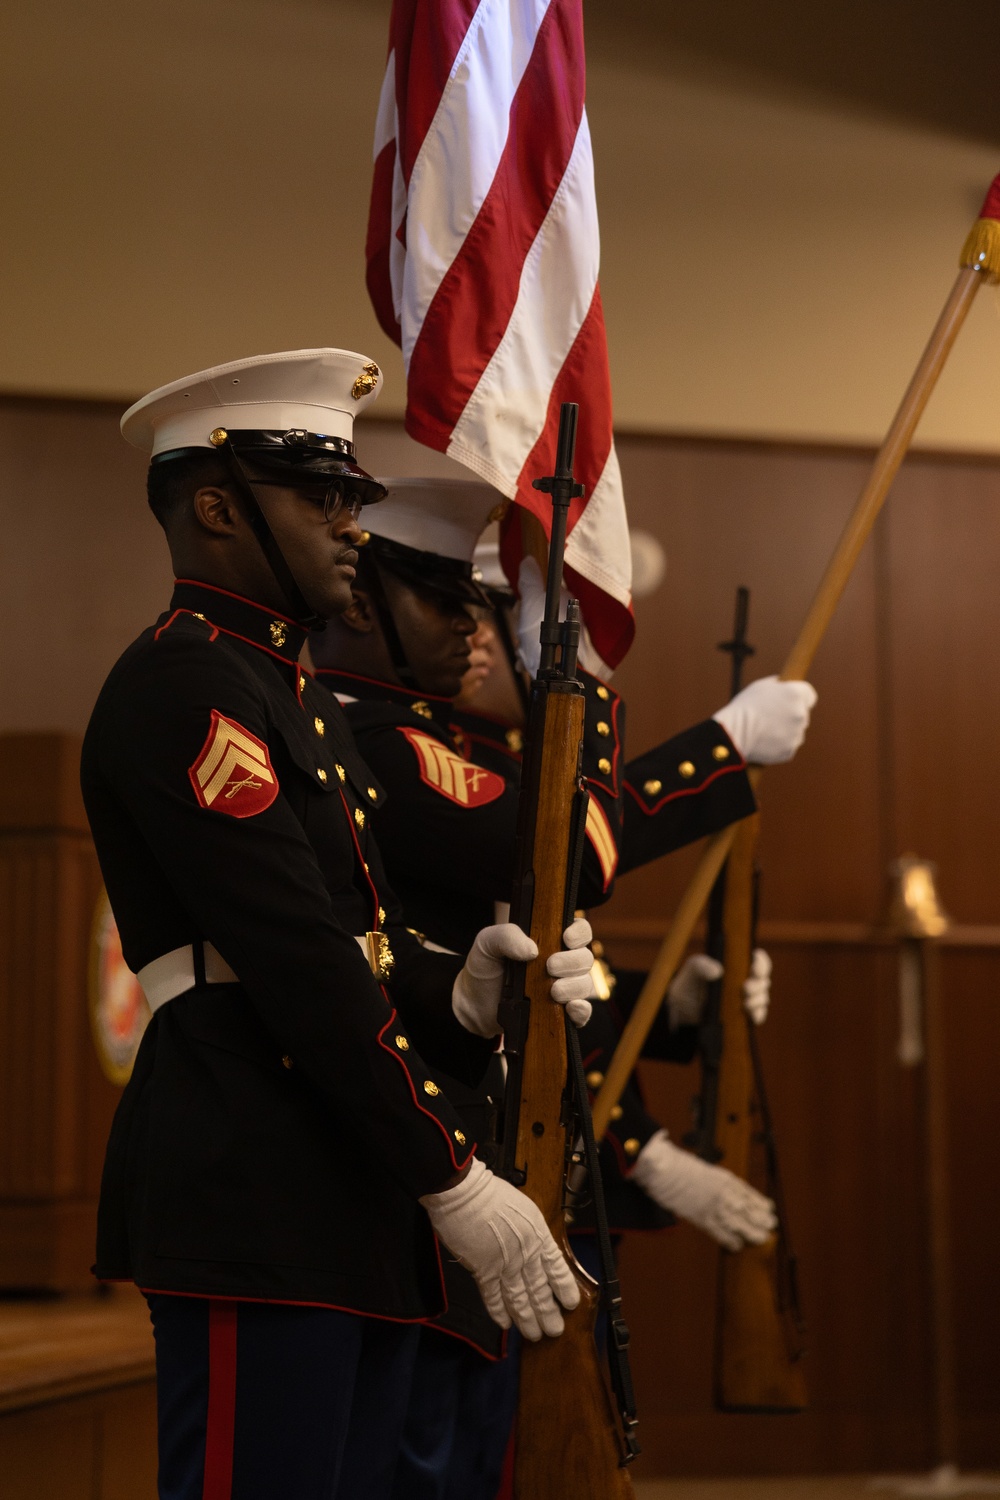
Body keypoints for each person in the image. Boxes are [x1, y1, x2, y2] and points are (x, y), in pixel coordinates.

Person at [83, 352, 595, 1500]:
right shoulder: (187, 683)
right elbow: (292, 957)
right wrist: (450, 1172)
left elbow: (353, 932)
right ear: (217, 508)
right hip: (252, 1167)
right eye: (320, 499)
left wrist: (458, 986)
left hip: (341, 1174)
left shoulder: (285, 689)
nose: (350, 528)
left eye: (352, 499)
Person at [311, 477, 816, 1498]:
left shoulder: (448, 746)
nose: (483, 639)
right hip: (432, 1167)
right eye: (467, 608)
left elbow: (545, 957)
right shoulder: (384, 746)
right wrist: (674, 730)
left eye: (490, 610)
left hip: (499, 1162)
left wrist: (669, 1011)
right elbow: (571, 854)